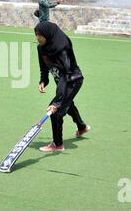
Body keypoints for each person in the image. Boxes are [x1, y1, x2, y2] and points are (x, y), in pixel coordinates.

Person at [35, 22, 90, 152]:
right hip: (61, 82)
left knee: (56, 111)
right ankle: (82, 127)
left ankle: (58, 144)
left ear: (48, 35)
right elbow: (43, 67)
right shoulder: (41, 48)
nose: (38, 38)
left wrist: (58, 102)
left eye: (40, 35)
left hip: (72, 81)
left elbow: (67, 75)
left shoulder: (62, 49)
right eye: (36, 35)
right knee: (68, 104)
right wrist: (43, 80)